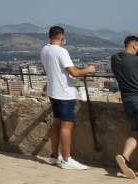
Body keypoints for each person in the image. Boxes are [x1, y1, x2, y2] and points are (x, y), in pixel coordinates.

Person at [41, 26, 96, 171]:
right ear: (61, 37)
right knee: (67, 126)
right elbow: (74, 72)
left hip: (53, 92)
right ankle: (66, 159)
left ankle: (54, 156)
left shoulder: (45, 49)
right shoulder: (61, 51)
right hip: (65, 94)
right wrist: (89, 70)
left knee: (57, 123)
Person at [111, 35, 138, 179]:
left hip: (127, 101)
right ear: (134, 45)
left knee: (135, 133)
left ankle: (124, 157)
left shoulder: (115, 58)